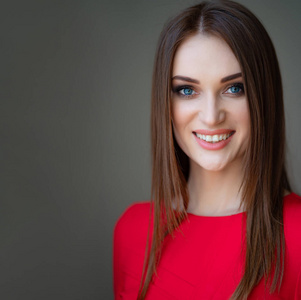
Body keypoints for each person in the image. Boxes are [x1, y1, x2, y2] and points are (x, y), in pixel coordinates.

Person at [113, 0, 301, 299]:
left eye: (234, 88)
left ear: (264, 96)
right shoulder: (133, 231)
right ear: (167, 102)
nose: (211, 116)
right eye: (187, 90)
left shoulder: (297, 233)